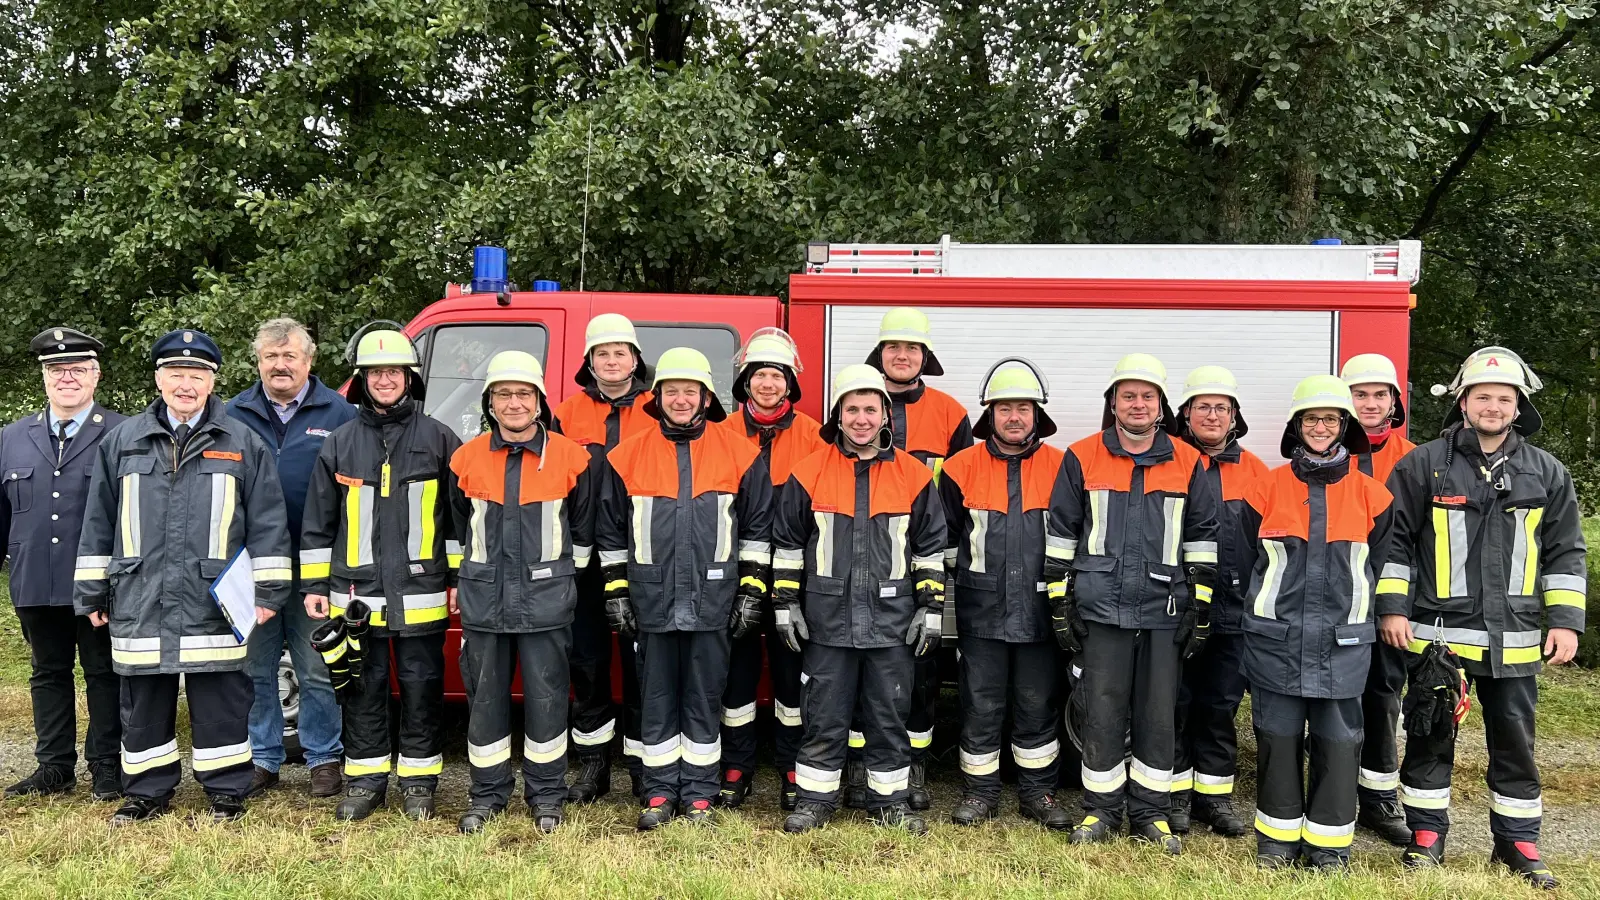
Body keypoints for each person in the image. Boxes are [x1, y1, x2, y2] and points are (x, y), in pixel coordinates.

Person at [1379, 347, 1587, 889]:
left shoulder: (1547, 472)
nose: (1493, 407)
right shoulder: (1423, 465)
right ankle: (1427, 835)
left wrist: (1565, 621)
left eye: (1504, 398)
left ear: (1518, 407)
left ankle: (1518, 843)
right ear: (1463, 402)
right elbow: (1395, 544)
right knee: (1430, 734)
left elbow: (1566, 551)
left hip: (1514, 635)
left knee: (1515, 741)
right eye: (1482, 397)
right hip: (1437, 635)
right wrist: (1393, 608)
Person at [74, 329, 292, 825]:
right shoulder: (122, 441)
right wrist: (90, 590)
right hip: (139, 593)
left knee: (222, 698)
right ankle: (146, 792)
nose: (186, 384)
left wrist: (269, 591)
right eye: (176, 373)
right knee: (143, 699)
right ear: (158, 379)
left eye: (197, 375)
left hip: (213, 598)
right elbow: (98, 521)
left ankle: (226, 791)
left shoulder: (242, 442)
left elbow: (268, 522)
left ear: (213, 382)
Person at [1045, 353, 1220, 855]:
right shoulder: (1081, 457)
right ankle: (1100, 810)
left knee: (1157, 715)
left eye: (1147, 396)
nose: (1137, 404)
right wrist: (1059, 603)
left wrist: (1199, 608)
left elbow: (1202, 539)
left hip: (1165, 611)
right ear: (1113, 402)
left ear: (1161, 405)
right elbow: (1060, 536)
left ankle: (1150, 813)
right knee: (1100, 711)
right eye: (1128, 396)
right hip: (1101, 610)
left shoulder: (1188, 461)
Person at [596, 347, 773, 829]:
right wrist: (615, 591)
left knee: (703, 698)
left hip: (714, 599)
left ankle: (698, 793)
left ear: (706, 397)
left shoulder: (740, 453)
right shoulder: (626, 455)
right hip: (650, 600)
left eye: (689, 391)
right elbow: (610, 533)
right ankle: (658, 793)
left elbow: (757, 529)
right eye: (671, 391)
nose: (680, 399)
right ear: (657, 397)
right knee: (655, 699)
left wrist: (752, 589)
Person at [775, 364, 947, 836]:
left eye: (870, 409)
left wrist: (931, 607)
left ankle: (889, 803)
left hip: (892, 622)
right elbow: (787, 545)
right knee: (823, 715)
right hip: (826, 621)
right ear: (838, 415)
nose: (861, 419)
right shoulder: (808, 472)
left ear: (885, 414)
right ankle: (815, 801)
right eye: (852, 409)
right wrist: (785, 603)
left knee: (888, 717)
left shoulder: (914, 475)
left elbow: (930, 548)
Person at [299, 328, 460, 821]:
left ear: (409, 378)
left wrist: (456, 580)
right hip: (356, 594)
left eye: (393, 372)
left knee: (421, 688)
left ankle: (419, 783)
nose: (384, 380)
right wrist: (314, 586)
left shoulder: (439, 439)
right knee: (361, 689)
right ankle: (366, 781)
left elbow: (457, 519)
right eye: (375, 373)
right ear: (361, 380)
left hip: (422, 591)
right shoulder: (340, 443)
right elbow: (319, 520)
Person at [1238, 376, 1393, 871]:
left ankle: (1328, 847)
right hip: (1276, 642)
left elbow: (1382, 568)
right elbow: (1244, 563)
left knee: (1339, 744)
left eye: (1330, 419)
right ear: (1296, 426)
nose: (1320, 427)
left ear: (1344, 426)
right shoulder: (1265, 488)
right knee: (1277, 738)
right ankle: (1277, 841)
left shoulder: (1373, 496)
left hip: (1343, 645)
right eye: (1311, 419)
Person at [450, 352, 594, 834]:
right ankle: (487, 795)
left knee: (548, 701)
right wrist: (460, 582)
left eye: (524, 394)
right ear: (489, 403)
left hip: (546, 603)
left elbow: (583, 534)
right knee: (485, 703)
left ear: (539, 402)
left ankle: (547, 796)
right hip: (484, 602)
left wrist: (565, 584)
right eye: (504, 394)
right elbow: (456, 530)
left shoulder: (571, 458)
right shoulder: (465, 459)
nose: (514, 403)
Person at [227, 317, 355, 799]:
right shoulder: (232, 413)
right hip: (249, 567)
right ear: (258, 361)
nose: (280, 365)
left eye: (289, 356)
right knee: (255, 668)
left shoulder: (340, 413)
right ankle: (263, 757)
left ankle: (323, 757)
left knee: (317, 667)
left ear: (309, 360)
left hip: (314, 568)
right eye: (270, 357)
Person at [941, 359, 1070, 830]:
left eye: (1023, 408)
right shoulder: (959, 468)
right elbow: (943, 540)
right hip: (981, 611)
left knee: (1038, 705)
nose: (1014, 417)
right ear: (989, 414)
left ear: (1038, 414)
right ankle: (980, 793)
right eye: (1004, 408)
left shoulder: (1062, 467)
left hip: (1040, 611)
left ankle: (1038, 793)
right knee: (980, 704)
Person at [0, 328, 126, 801]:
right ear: (45, 377)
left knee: (104, 673)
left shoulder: (122, 432)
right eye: (57, 369)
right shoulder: (12, 437)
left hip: (99, 583)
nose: (66, 377)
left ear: (96, 376)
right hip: (35, 578)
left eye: (77, 369)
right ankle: (54, 767)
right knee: (47, 673)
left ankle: (106, 765)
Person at [858, 306, 972, 810]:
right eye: (893, 347)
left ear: (925, 357)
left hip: (927, 561)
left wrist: (950, 559)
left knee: (921, 668)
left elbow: (965, 488)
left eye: (911, 348)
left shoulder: (950, 413)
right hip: (863, 561)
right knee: (862, 666)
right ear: (880, 353)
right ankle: (862, 765)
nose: (901, 355)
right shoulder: (857, 405)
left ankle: (914, 764)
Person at [714, 329, 824, 811]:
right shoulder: (720, 433)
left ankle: (792, 765)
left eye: (776, 376)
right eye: (759, 375)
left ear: (790, 383)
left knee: (791, 673)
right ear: (745, 381)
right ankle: (736, 765)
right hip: (734, 576)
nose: (767, 384)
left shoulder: (815, 435)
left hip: (796, 580)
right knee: (736, 675)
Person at [552, 313, 655, 802]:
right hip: (583, 562)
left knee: (641, 665)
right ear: (589, 362)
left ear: (635, 359)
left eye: (620, 352)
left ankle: (641, 766)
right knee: (587, 663)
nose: (612, 361)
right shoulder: (565, 414)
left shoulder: (660, 408)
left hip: (644, 557)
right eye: (602, 353)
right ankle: (593, 766)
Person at [1168, 366, 1267, 838]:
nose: (1212, 415)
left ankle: (1214, 798)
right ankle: (1174, 795)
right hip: (1177, 609)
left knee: (1220, 705)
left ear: (1234, 416)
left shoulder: (1256, 471)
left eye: (1221, 408)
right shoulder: (1168, 460)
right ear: (1185, 414)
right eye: (1202, 406)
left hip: (1232, 612)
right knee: (1174, 702)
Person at [1336, 353, 1417, 845]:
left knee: (1383, 697)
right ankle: (1331, 793)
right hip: (1335, 602)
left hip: (1390, 602)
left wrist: (1397, 606)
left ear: (1394, 402)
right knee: (1333, 698)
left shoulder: (1417, 460)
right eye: (1359, 394)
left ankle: (1379, 799)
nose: (1369, 403)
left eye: (1379, 394)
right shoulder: (1323, 455)